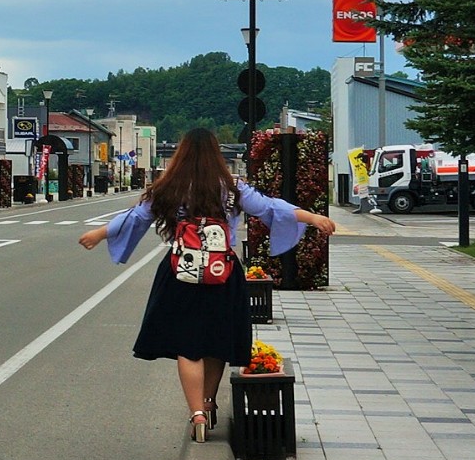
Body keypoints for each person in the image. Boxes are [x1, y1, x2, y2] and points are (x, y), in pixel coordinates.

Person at [79, 127, 336, 442]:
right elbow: (271, 209)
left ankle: (196, 414)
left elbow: (136, 218)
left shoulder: (168, 187)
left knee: (189, 346)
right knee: (217, 342)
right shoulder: (232, 188)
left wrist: (98, 234)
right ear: (217, 154)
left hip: (179, 273)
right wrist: (311, 217)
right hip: (223, 272)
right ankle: (209, 402)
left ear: (181, 154)